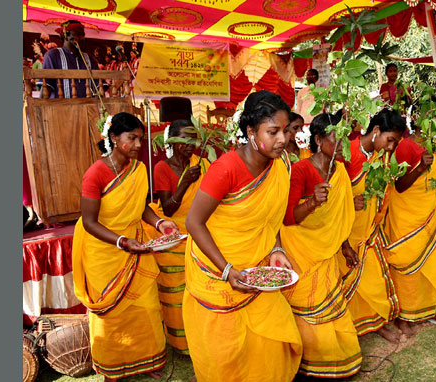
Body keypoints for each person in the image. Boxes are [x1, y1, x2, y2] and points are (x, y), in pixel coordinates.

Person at [182, 91, 302, 382]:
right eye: (272, 132)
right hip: (217, 273)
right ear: (251, 132)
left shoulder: (282, 164)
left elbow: (270, 219)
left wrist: (277, 250)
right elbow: (193, 222)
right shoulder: (226, 168)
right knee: (226, 356)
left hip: (256, 270)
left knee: (269, 348)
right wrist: (226, 270)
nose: (282, 139)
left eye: (285, 131)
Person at [72, 112, 178, 381]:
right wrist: (121, 242)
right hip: (103, 252)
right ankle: (112, 368)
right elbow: (89, 222)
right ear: (114, 138)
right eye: (132, 138)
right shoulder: (95, 173)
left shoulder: (138, 169)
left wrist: (161, 224)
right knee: (112, 317)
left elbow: (141, 208)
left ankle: (149, 360)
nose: (139, 144)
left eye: (140, 139)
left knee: (146, 307)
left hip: (135, 244)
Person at [281, 112, 362, 378]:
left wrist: (345, 246)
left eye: (345, 139)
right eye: (335, 139)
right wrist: (313, 203)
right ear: (317, 139)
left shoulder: (340, 170)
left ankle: (336, 359)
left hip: (326, 250)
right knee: (308, 310)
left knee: (332, 308)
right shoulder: (302, 170)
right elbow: (289, 218)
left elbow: (339, 216)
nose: (343, 145)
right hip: (302, 250)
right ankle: (309, 363)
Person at [142, 119, 208, 357]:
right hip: (173, 235)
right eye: (185, 139)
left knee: (198, 291)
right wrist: (185, 183)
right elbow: (168, 209)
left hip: (198, 234)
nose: (190, 145)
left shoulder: (202, 164)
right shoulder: (162, 168)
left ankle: (200, 336)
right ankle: (181, 344)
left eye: (193, 139)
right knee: (176, 294)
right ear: (173, 142)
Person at [341, 108, 406, 343]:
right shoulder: (346, 154)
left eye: (395, 144)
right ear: (376, 130)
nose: (390, 148)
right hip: (345, 234)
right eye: (389, 140)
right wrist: (348, 200)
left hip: (370, 232)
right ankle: (347, 325)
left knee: (375, 280)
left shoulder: (382, 157)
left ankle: (376, 322)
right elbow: (329, 193)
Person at [383, 108, 436, 334]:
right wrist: (421, 167)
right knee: (407, 267)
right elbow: (399, 186)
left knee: (432, 261)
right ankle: (404, 314)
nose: (433, 120)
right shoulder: (404, 145)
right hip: (406, 216)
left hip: (429, 215)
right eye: (428, 116)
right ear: (416, 118)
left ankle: (426, 309)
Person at [42, 20, 99, 98]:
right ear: (66, 37)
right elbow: (46, 87)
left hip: (89, 108)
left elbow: (99, 86)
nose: (82, 38)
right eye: (78, 34)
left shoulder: (89, 58)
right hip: (61, 108)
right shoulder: (53, 55)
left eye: (83, 35)